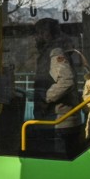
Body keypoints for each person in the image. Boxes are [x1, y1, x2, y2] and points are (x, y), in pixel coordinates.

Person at [31, 18, 82, 158]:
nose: (35, 37)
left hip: (60, 123)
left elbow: (66, 80)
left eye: (38, 33)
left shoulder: (55, 52)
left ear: (46, 34)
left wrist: (45, 98)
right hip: (57, 121)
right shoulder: (50, 52)